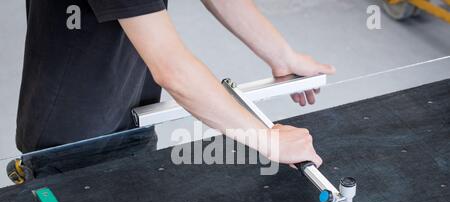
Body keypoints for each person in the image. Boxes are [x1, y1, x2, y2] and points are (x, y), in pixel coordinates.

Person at [17, 0, 335, 167]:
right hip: (71, 145)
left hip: (132, 117)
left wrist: (282, 55)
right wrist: (267, 141)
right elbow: (173, 70)